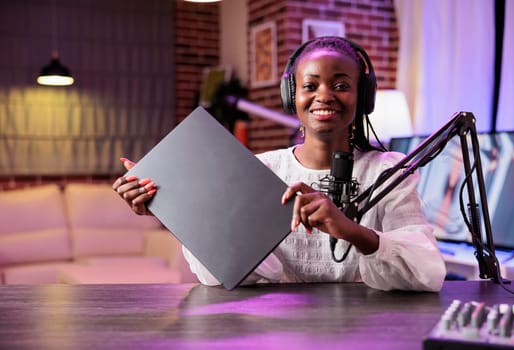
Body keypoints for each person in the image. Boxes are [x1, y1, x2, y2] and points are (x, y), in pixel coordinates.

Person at [113, 36, 446, 292]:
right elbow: (219, 276)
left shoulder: (389, 172)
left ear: (364, 96)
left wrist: (352, 231)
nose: (325, 95)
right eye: (310, 85)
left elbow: (427, 272)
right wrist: (173, 210)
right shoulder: (262, 170)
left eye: (342, 85)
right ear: (292, 96)